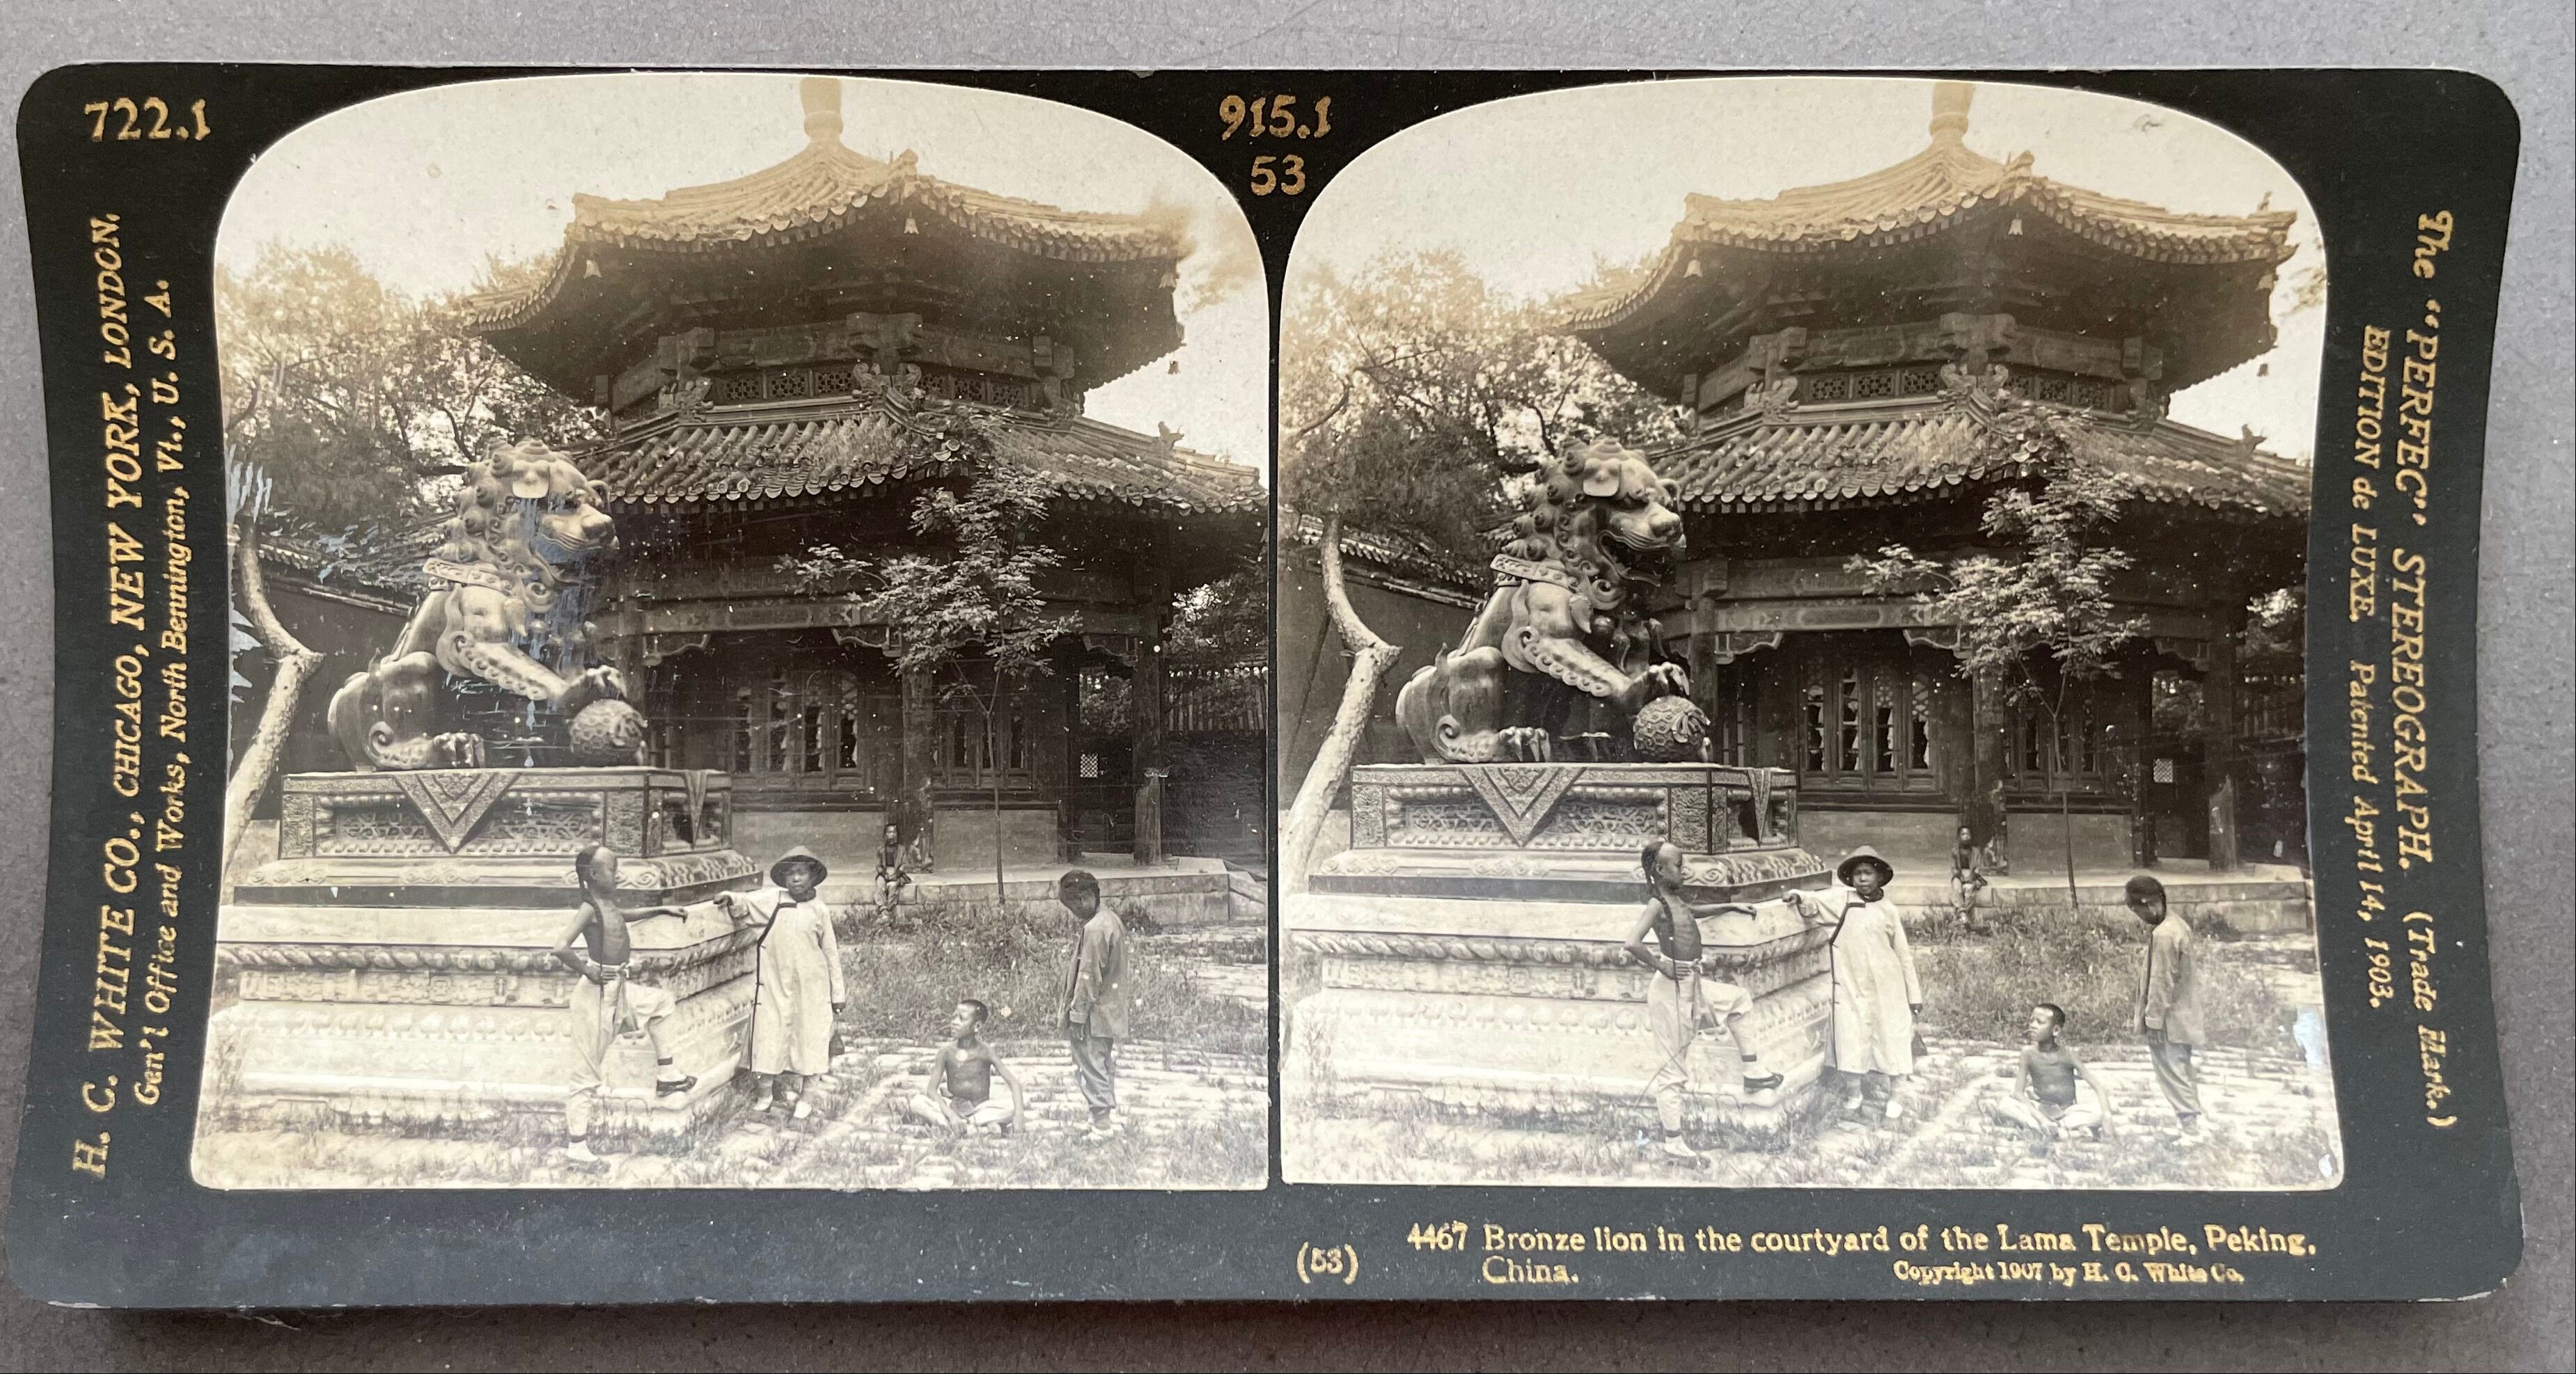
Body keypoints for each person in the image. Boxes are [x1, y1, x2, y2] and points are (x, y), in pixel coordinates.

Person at [1622, 840, 1787, 1164]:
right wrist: (1660, 964)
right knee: (1673, 1070)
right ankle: (1674, 1145)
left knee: (1738, 1000)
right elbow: (1632, 942)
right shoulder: (1657, 904)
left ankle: (1753, 1071)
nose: (1684, 870)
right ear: (1659, 870)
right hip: (1671, 989)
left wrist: (1730, 906)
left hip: (1693, 983)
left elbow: (1690, 912)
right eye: (1678, 865)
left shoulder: (1675, 900)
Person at [547, 844, 698, 1167]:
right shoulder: (588, 907)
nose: (618, 876)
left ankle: (668, 1074)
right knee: (586, 1074)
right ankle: (577, 1147)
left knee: (661, 1003)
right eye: (612, 872)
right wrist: (588, 970)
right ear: (593, 875)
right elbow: (560, 947)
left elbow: (620, 917)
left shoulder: (605, 904)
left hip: (618, 990)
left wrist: (661, 910)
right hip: (595, 996)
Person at [1790, 846, 1923, 1121]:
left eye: (1868, 873)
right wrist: (1798, 896)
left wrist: (1914, 995)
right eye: (1857, 874)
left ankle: (1896, 1095)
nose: (1862, 879)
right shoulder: (1843, 902)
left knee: (1892, 1036)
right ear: (1850, 879)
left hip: (1888, 986)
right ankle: (1854, 1095)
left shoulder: (1888, 910)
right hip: (1852, 984)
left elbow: (1904, 955)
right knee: (1852, 1036)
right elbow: (1813, 903)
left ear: (1879, 876)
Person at [716, 846, 846, 1119]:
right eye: (791, 874)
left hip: (812, 989)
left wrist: (837, 994)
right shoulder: (775, 901)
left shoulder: (819, 911)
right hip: (775, 986)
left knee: (810, 1040)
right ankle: (765, 1096)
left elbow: (831, 954)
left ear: (812, 877)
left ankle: (806, 1098)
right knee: (769, 1037)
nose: (796, 879)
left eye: (801, 873)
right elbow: (746, 905)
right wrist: (731, 898)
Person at [2127, 874, 2207, 1135]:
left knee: (2172, 1072)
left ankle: (2191, 1126)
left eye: (2139, 912)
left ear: (2150, 904)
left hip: (2170, 1021)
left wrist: (2153, 1022)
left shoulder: (2163, 935)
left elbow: (2161, 982)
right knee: (2181, 1068)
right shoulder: (2178, 925)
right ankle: (2192, 1123)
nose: (2142, 919)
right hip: (2186, 1014)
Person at [1057, 869, 1130, 1142]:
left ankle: (1102, 1124)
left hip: (1093, 1014)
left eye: (1074, 905)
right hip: (1108, 1011)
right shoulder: (1110, 920)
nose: (1074, 912)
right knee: (1100, 1062)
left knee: (1090, 1065)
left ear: (1087, 897)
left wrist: (1077, 1016)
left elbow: (1088, 976)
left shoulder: (1096, 928)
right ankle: (1102, 1119)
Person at [1988, 1002, 2120, 1151]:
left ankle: (2055, 1130)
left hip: (2067, 1112)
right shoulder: (2028, 1054)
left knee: (2103, 1111)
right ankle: (2053, 1129)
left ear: (2056, 1030)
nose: (2033, 1025)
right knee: (2005, 1104)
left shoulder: (2068, 1055)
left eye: (2040, 1022)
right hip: (2041, 1110)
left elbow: (2097, 1086)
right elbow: (2018, 1092)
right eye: (2031, 1020)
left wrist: (2108, 1119)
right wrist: (2040, 1118)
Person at [902, 999, 1026, 1137]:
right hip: (952, 1108)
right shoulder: (946, 1052)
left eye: (961, 1019)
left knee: (1015, 1105)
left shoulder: (986, 1051)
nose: (954, 1022)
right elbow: (931, 1090)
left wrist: (1019, 1116)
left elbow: (1014, 1083)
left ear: (977, 1026)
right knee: (917, 1102)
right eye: (954, 1017)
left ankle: (952, 1127)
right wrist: (951, 1115)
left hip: (979, 1109)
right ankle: (975, 1128)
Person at [1948, 824, 1992, 934]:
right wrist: (1960, 876)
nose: (1966, 836)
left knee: (1968, 890)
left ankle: (1964, 919)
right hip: (1959, 875)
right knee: (1957, 888)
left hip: (1972, 875)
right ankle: (1963, 914)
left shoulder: (1976, 851)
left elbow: (1977, 868)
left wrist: (1971, 877)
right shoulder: (1955, 852)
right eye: (1963, 834)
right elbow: (1954, 868)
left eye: (1968, 834)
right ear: (1959, 837)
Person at [872, 821, 913, 924]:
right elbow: (878, 866)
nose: (892, 834)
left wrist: (896, 874)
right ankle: (884, 912)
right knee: (880, 885)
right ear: (886, 834)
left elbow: (905, 864)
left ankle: (888, 911)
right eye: (890, 832)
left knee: (892, 886)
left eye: (894, 832)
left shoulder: (902, 849)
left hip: (897, 873)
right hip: (885, 872)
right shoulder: (881, 850)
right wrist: (884, 874)